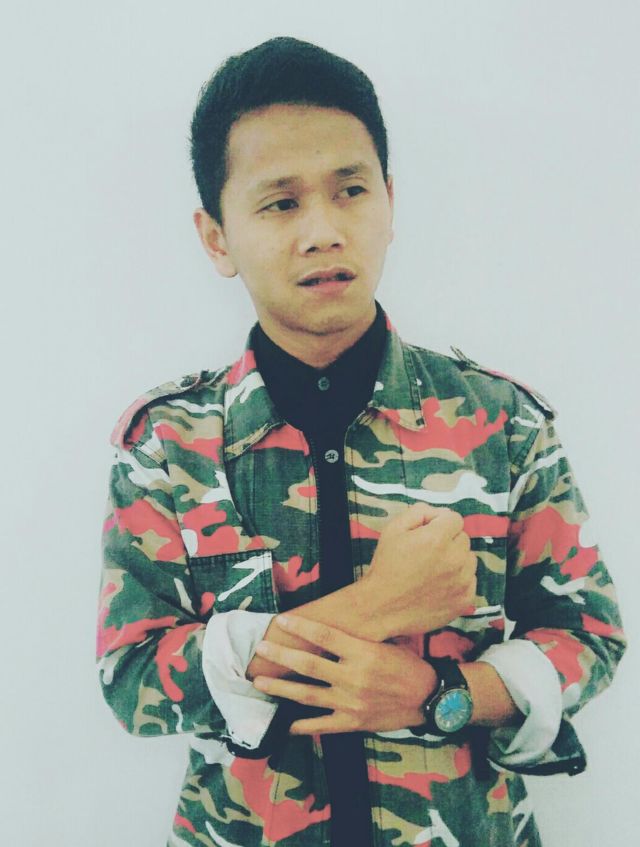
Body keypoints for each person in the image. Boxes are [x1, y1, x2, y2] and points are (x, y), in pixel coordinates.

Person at [96, 36, 626, 847]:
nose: (323, 230)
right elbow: (132, 677)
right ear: (216, 237)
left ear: (389, 201)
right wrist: (380, 605)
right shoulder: (168, 443)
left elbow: (588, 634)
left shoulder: (504, 422)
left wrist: (438, 694)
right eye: (280, 203)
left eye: (351, 190)